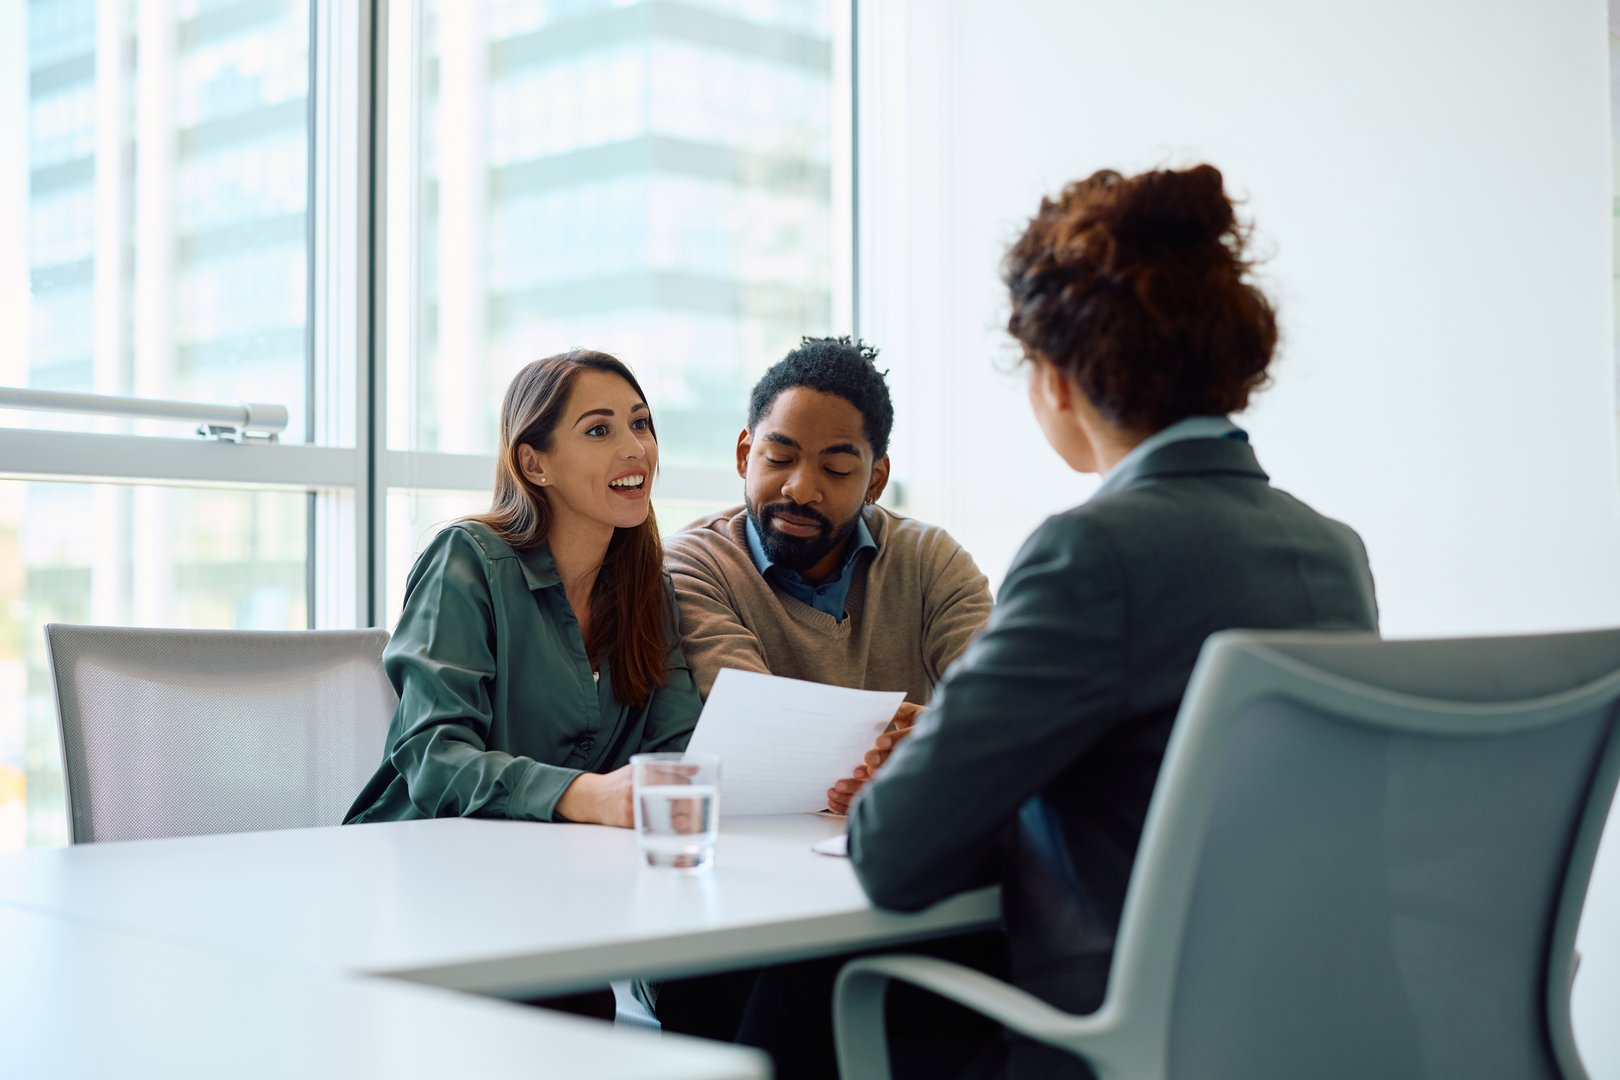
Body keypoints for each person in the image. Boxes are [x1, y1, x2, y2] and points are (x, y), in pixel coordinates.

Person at [741, 165, 1381, 1078]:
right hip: (1304, 1025)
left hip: (1125, 1030)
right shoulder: (1332, 553)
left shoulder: (1093, 554)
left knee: (804, 984)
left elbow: (891, 852)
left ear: (1060, 382)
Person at [650, 336, 996, 1038]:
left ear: (875, 478)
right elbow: (761, 720)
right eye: (779, 458)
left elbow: (1000, 715)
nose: (800, 488)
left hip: (878, 884)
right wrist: (922, 742)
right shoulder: (692, 565)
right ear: (746, 454)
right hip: (735, 901)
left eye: (836, 468)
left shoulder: (931, 560)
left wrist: (915, 750)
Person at [346, 351, 702, 1022]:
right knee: (572, 1004)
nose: (635, 449)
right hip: (429, 884)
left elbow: (677, 746)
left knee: (726, 987)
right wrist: (585, 794)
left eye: (642, 424)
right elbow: (431, 755)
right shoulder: (467, 560)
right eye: (599, 430)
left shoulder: (647, 588)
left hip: (562, 892)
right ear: (534, 463)